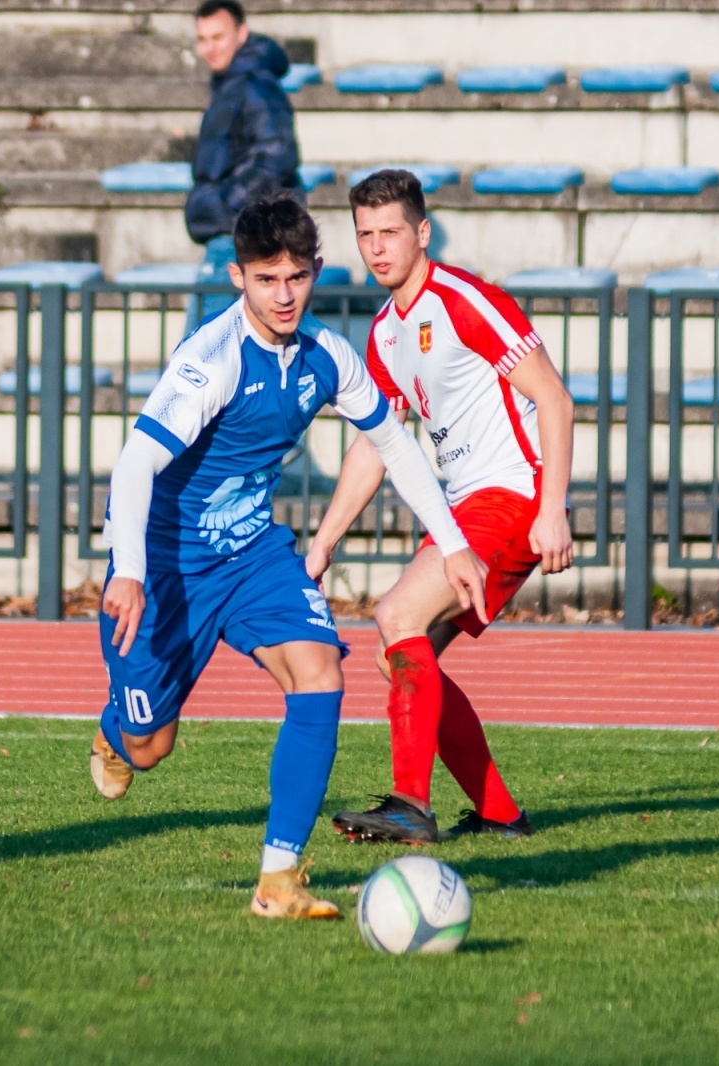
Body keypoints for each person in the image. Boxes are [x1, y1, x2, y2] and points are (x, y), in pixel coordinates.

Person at [90, 195, 486, 919]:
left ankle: (279, 879)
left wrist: (454, 545)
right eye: (266, 280)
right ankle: (116, 729)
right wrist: (129, 572)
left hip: (253, 554)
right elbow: (135, 462)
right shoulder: (211, 363)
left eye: (296, 278)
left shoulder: (326, 355)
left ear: (315, 274)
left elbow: (395, 444)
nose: (283, 295)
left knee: (321, 671)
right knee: (151, 747)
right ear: (238, 277)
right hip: (167, 563)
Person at [306, 169, 576, 844]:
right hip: (463, 514)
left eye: (390, 232)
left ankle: (411, 804)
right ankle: (501, 815)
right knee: (404, 650)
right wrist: (324, 540)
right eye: (364, 235)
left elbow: (555, 397)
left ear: (421, 232)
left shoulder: (464, 301)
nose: (376, 248)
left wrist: (554, 508)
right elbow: (376, 447)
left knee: (396, 614)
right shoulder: (384, 331)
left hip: (509, 498)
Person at [185, 0, 302, 328]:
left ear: (242, 33)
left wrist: (223, 205)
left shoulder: (254, 84)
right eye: (203, 39)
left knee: (204, 356)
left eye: (218, 37)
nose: (210, 48)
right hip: (234, 238)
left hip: (240, 238)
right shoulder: (230, 85)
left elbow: (276, 157)